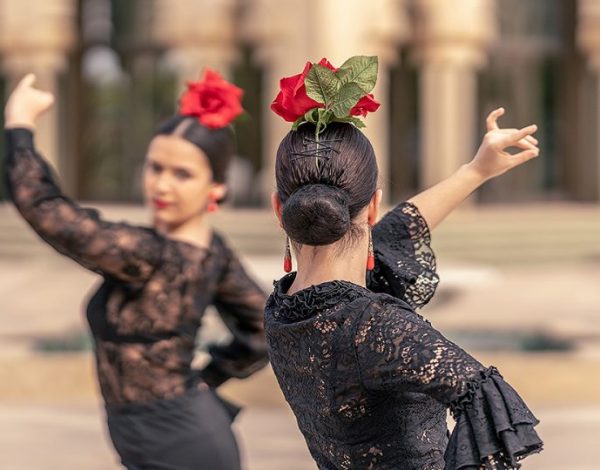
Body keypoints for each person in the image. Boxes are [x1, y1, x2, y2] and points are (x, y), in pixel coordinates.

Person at [265, 56, 543, 469]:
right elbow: (485, 395)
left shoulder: (286, 307)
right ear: (373, 206)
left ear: (278, 209)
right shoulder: (373, 325)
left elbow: (393, 233)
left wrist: (476, 171)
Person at [4, 70, 268, 470]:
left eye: (182, 174)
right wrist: (209, 378)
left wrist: (19, 126)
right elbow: (264, 327)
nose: (161, 185)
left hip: (179, 444)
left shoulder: (150, 254)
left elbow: (49, 213)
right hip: (173, 434)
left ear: (216, 188)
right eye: (155, 167)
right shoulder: (213, 253)